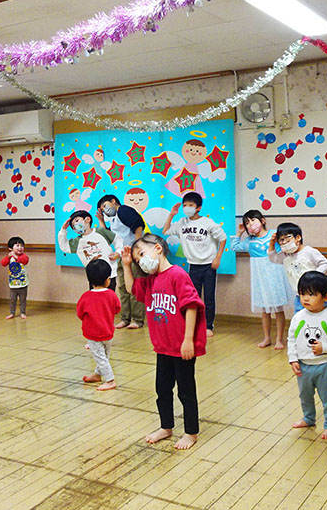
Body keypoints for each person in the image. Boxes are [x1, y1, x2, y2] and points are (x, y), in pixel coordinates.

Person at [122, 233, 206, 450]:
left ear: (157, 248)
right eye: (138, 260)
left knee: (186, 391)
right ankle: (166, 426)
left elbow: (191, 306)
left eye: (142, 254)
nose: (141, 261)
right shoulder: (150, 281)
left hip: (181, 347)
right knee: (162, 389)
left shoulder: (177, 274)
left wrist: (188, 340)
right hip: (163, 347)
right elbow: (131, 289)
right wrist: (126, 265)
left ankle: (191, 432)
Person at [287, 271, 327, 440]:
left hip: (325, 365)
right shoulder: (298, 317)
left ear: (326, 296)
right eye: (302, 294)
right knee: (305, 395)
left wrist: (325, 347)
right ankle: (308, 418)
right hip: (304, 365)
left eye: (311, 294)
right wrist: (293, 358)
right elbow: (291, 339)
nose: (306, 298)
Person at [162, 192, 227, 338]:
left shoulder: (208, 223)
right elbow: (165, 231)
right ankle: (195, 324)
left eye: (191, 205)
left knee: (209, 297)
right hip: (193, 266)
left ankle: (209, 325)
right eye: (185, 205)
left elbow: (223, 238)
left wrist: (218, 257)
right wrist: (171, 215)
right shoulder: (182, 223)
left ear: (198, 208)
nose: (187, 208)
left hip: (208, 265)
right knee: (193, 297)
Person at [229, 210, 294, 349]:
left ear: (262, 220)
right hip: (260, 277)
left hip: (275, 273)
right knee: (265, 309)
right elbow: (234, 247)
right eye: (247, 223)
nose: (250, 224)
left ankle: (279, 339)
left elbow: (287, 245)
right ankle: (267, 338)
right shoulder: (249, 241)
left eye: (253, 220)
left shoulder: (274, 234)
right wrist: (239, 233)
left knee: (278, 308)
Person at [97, 194, 146, 330]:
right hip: (122, 255)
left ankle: (137, 319)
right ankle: (125, 318)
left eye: (105, 206)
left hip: (133, 254)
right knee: (123, 287)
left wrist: (137, 247)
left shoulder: (123, 210)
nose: (105, 210)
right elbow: (107, 234)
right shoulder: (113, 219)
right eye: (102, 209)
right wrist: (101, 220)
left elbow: (138, 225)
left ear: (113, 201)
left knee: (135, 287)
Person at [76, 259, 120, 391]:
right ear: (107, 280)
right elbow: (117, 309)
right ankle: (97, 374)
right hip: (108, 332)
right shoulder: (111, 295)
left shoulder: (86, 296)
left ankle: (110, 380)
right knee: (104, 356)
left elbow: (80, 313)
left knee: (100, 358)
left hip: (94, 334)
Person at [268, 222, 327, 312]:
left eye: (287, 238)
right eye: (281, 240)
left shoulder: (309, 251)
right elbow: (273, 258)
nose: (284, 242)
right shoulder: (286, 255)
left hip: (316, 294)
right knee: (300, 317)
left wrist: (314, 278)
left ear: (298, 237)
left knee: (321, 316)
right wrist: (271, 244)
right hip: (300, 295)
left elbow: (325, 263)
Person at [58, 210, 122, 291]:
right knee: (94, 297)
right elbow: (64, 247)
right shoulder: (77, 242)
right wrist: (63, 230)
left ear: (87, 219)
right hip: (93, 276)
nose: (75, 225)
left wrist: (118, 253)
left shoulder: (101, 232)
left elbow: (118, 240)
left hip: (110, 274)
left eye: (77, 221)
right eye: (73, 226)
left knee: (108, 296)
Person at [1, 236, 29, 320]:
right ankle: (12, 313)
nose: (20, 247)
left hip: (23, 283)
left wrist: (15, 257)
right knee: (12, 300)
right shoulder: (10, 257)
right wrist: (8, 257)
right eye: (17, 245)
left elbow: (25, 261)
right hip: (13, 284)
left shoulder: (24, 256)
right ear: (10, 248)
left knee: (22, 300)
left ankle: (22, 312)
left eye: (22, 246)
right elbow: (3, 263)